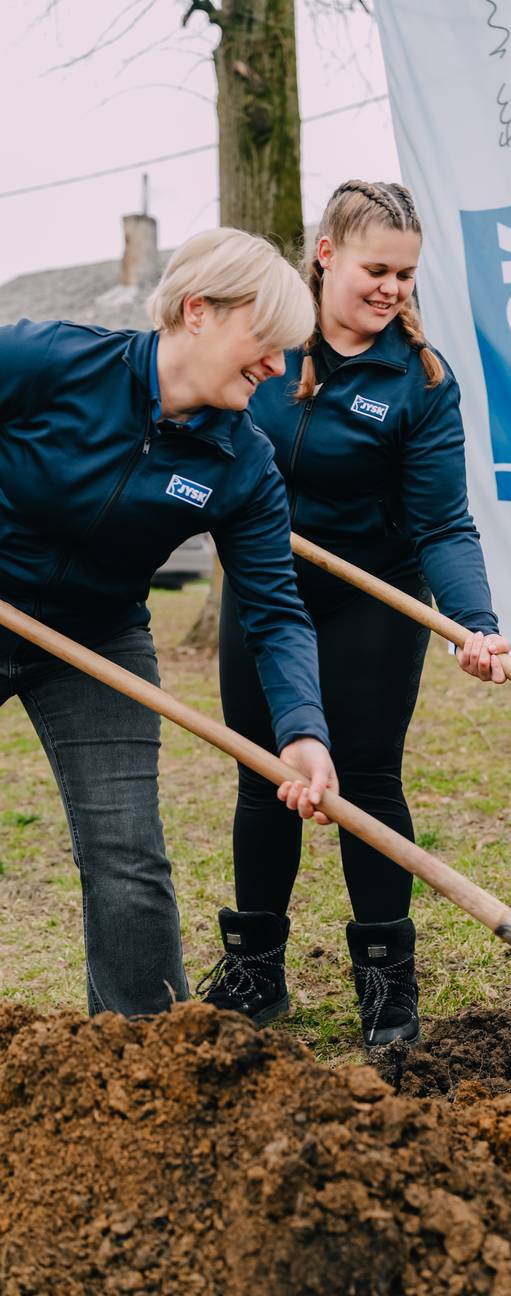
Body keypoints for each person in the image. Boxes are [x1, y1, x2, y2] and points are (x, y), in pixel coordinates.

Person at [0, 228, 336, 1019]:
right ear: (198, 311)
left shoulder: (241, 462)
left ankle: (152, 1061)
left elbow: (277, 609)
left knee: (128, 858)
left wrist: (302, 730)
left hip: (95, 638)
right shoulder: (54, 362)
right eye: (266, 341)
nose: (278, 366)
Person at [208, 180, 511, 1047]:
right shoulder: (264, 340)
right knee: (263, 774)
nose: (391, 288)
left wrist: (471, 617)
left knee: (367, 778)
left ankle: (386, 983)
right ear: (327, 253)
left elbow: (443, 521)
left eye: (406, 275)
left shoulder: (418, 379)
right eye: (377, 267)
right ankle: (257, 971)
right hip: (266, 589)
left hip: (372, 596)